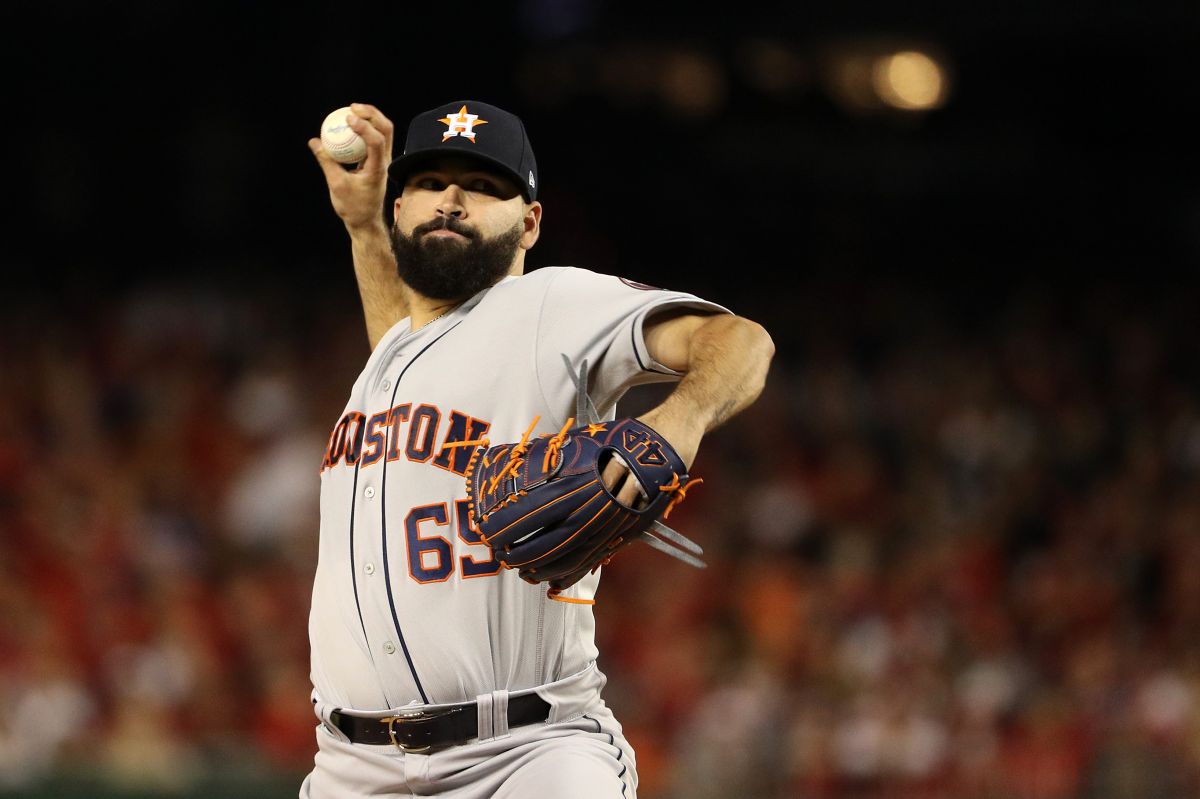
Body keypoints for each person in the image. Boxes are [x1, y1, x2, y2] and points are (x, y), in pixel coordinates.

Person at [300, 99, 775, 798]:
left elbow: (741, 342)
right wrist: (362, 224)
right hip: (352, 767)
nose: (452, 199)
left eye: (485, 186)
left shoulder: (553, 305)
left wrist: (676, 421)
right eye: (431, 183)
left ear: (530, 222)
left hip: (524, 756)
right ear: (402, 208)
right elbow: (411, 347)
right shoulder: (396, 354)